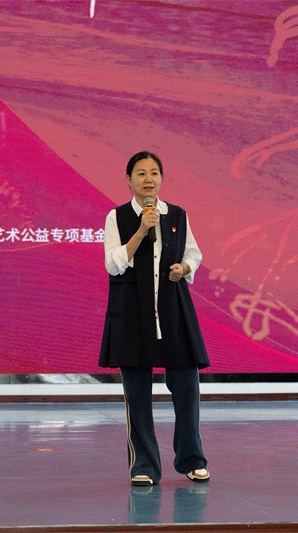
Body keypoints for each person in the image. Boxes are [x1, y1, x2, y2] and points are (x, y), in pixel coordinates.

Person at [99, 151, 211, 487]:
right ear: (129, 180)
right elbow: (113, 264)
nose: (148, 179)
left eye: (154, 173)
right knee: (137, 395)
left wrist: (183, 268)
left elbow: (193, 254)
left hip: (173, 310)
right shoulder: (117, 217)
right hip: (133, 314)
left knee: (187, 388)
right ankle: (144, 465)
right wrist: (140, 232)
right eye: (141, 173)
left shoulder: (176, 215)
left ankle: (192, 459)